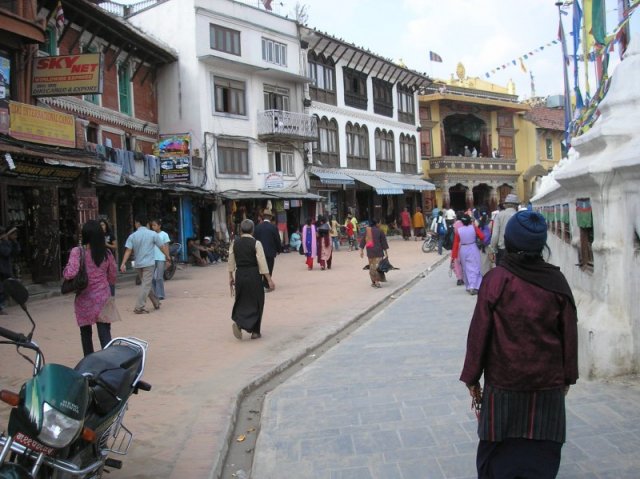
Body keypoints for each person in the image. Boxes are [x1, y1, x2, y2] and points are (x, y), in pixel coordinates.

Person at [460, 210, 578, 478]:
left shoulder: (496, 280)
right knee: (541, 453)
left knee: (499, 456)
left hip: (504, 386)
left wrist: (472, 377)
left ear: (510, 242)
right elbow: (569, 334)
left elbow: (479, 333)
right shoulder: (557, 282)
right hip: (547, 386)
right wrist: (567, 377)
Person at [63, 220, 117, 356]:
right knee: (105, 333)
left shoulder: (77, 252)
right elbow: (112, 276)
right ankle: (109, 362)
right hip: (104, 296)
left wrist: (65, 271)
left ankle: (89, 362)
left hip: (84, 298)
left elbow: (71, 273)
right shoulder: (107, 253)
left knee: (86, 333)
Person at [228, 219, 275, 340]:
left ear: (240, 230)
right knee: (258, 301)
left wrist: (230, 277)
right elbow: (262, 262)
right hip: (254, 274)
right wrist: (269, 279)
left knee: (241, 300)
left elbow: (231, 261)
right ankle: (255, 331)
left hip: (240, 274)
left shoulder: (235, 243)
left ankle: (239, 323)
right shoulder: (256, 243)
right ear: (252, 230)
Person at [120, 217, 171, 314]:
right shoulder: (153, 234)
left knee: (146, 284)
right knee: (146, 284)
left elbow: (128, 250)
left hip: (138, 264)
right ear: (147, 224)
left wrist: (123, 263)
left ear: (137, 223)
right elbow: (162, 246)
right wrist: (167, 256)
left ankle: (156, 302)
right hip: (149, 263)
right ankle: (139, 307)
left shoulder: (133, 236)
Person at [451, 214, 485, 295]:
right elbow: (482, 236)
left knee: (466, 268)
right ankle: (476, 286)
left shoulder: (459, 230)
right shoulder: (473, 227)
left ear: (462, 222)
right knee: (476, 266)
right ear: (470, 221)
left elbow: (455, 243)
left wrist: (454, 256)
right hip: (473, 247)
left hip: (463, 249)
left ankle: (469, 286)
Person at [253, 208, 282, 290]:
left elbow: (254, 240)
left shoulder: (257, 227)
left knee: (259, 268)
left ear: (263, 217)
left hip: (259, 252)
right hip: (270, 252)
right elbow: (277, 239)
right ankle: (266, 284)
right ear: (270, 217)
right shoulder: (273, 227)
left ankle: (259, 284)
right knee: (269, 268)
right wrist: (279, 250)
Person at [489, 193, 519, 266]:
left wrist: (492, 249)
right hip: (516, 251)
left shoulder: (499, 215)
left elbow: (495, 235)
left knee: (502, 274)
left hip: (502, 250)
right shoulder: (519, 216)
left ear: (505, 205)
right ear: (516, 205)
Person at [359, 218, 389, 288]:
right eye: (380, 223)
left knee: (372, 267)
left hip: (370, 252)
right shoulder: (380, 231)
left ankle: (374, 282)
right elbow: (383, 243)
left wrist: (361, 251)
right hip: (379, 252)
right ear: (377, 224)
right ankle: (377, 282)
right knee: (378, 267)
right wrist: (386, 253)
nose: (380, 224)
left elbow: (363, 241)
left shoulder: (367, 231)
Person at [0, 226, 20, 315]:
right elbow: (6, 252)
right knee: (2, 290)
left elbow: (16, 252)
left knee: (6, 289)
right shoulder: (2, 243)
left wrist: (14, 242)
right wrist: (6, 241)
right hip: (1, 270)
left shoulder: (8, 242)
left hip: (6, 269)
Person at [150, 219, 170, 300]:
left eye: (154, 225)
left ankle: (160, 294)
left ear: (159, 226)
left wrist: (167, 257)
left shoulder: (164, 235)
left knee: (159, 277)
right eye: (152, 225)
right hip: (152, 258)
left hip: (161, 258)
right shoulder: (151, 234)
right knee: (151, 277)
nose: (153, 227)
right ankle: (154, 293)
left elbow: (166, 246)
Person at [99, 219, 117, 296]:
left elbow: (115, 246)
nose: (102, 226)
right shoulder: (97, 235)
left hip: (109, 258)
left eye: (103, 224)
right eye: (100, 225)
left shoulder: (110, 235)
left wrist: (106, 244)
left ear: (106, 225)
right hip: (100, 258)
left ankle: (111, 294)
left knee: (110, 276)